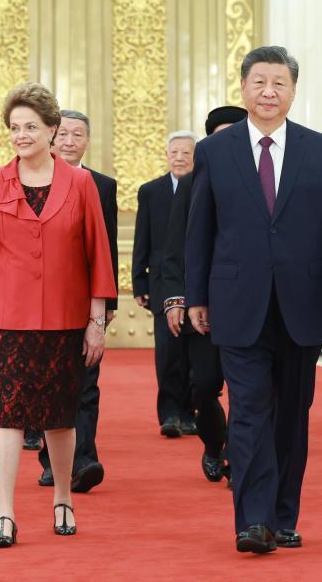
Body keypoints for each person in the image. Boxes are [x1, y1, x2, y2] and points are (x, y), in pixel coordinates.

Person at [185, 46, 322, 554]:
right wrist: (195, 294)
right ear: (242, 88)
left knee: (291, 414)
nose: (268, 91)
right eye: (259, 82)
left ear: (292, 91)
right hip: (237, 302)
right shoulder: (214, 152)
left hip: (303, 303)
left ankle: (284, 515)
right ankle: (252, 520)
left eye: (278, 83)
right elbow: (201, 229)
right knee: (248, 409)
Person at [0, 82, 116, 547]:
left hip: (67, 319)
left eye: (31, 127)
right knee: (7, 414)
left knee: (61, 416)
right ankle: (4, 510)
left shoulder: (81, 183)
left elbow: (98, 255)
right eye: (14, 128)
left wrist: (96, 321)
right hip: (7, 320)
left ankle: (63, 496)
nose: (21, 135)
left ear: (52, 130)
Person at [33, 109, 119, 493]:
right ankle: (51, 461)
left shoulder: (102, 185)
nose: (69, 141)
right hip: (38, 300)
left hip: (86, 299)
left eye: (77, 135)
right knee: (46, 381)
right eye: (63, 134)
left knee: (86, 380)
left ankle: (83, 460)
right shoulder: (31, 179)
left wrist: (107, 299)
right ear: (51, 138)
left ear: (88, 140)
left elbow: (108, 246)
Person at [161, 105, 248, 483]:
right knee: (205, 385)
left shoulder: (260, 179)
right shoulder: (194, 181)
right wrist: (177, 299)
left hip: (248, 305)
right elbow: (176, 249)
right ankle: (214, 445)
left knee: (249, 391)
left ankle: (239, 458)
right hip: (204, 306)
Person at [132, 131, 197, 437]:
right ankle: (170, 413)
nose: (180, 158)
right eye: (175, 152)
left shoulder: (202, 188)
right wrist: (138, 280)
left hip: (196, 282)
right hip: (161, 282)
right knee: (169, 352)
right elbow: (141, 238)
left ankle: (190, 412)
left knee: (194, 354)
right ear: (167, 155)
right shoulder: (151, 191)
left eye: (186, 153)